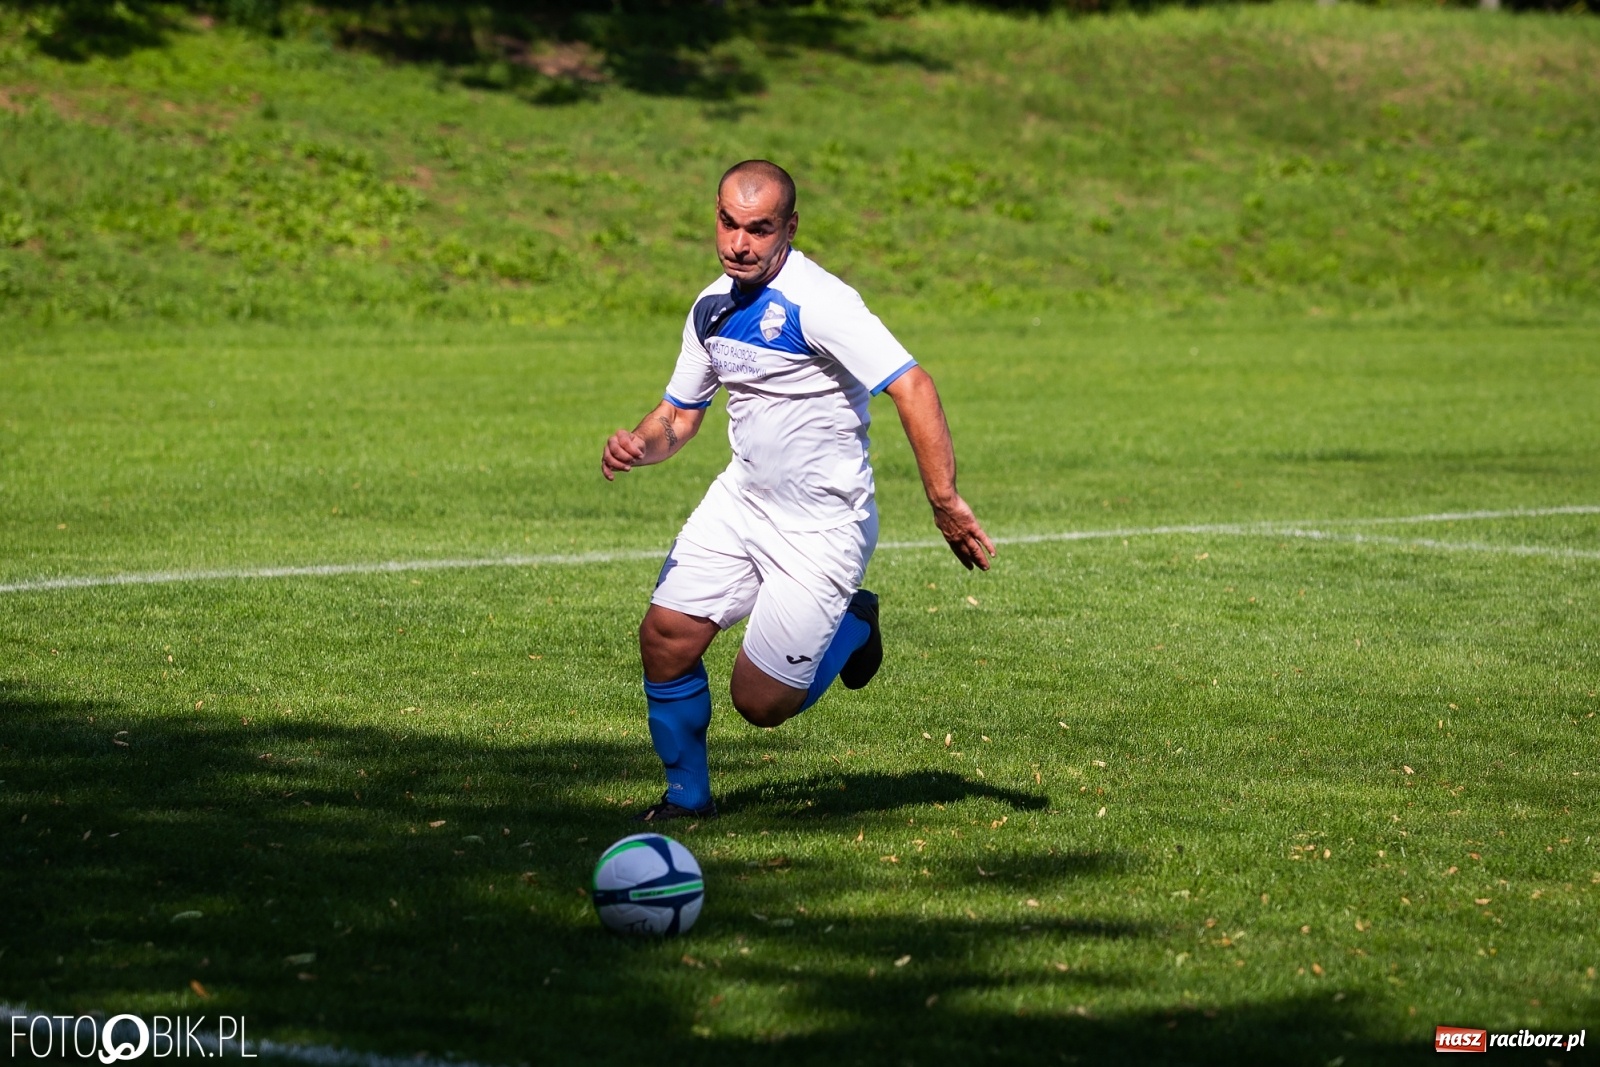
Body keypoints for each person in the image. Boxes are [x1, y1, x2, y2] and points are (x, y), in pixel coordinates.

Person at [601, 159, 994, 822]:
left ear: (789, 228)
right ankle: (687, 799)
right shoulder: (711, 307)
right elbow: (680, 412)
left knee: (760, 703)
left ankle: (854, 622)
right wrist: (643, 444)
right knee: (664, 637)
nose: (739, 242)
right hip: (741, 502)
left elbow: (912, 386)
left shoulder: (823, 304)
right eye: (728, 223)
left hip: (821, 526)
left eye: (758, 228)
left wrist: (944, 499)